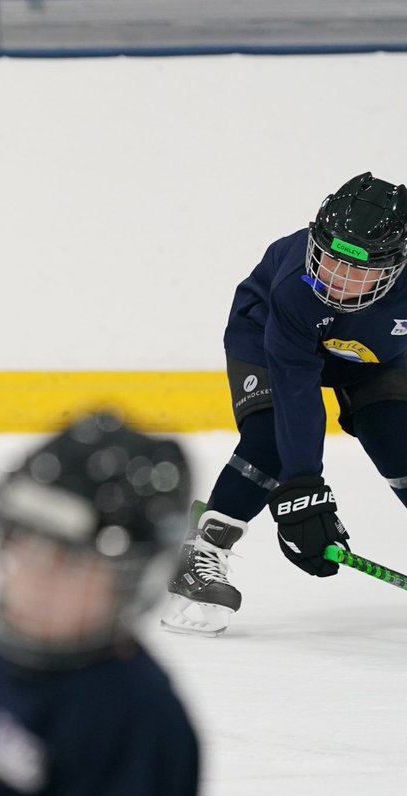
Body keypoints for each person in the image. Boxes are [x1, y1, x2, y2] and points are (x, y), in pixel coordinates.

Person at [162, 171, 407, 636]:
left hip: (376, 355)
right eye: (330, 259)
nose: (334, 278)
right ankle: (201, 551)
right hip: (269, 338)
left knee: (397, 438)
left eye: (358, 270)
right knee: (270, 440)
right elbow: (297, 394)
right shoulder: (297, 285)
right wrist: (302, 489)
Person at [0, 412, 199, 796]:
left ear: (128, 582)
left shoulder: (139, 720)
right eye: (23, 551)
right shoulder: (8, 657)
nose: (34, 585)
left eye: (70, 566)